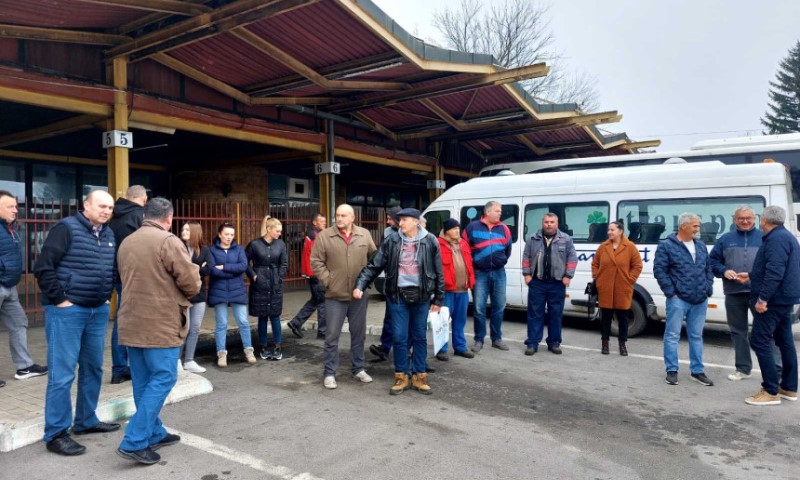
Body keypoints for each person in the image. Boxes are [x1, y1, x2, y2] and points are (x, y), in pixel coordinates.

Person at [34, 190, 119, 456]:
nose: (106, 211)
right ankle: (56, 433)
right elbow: (43, 267)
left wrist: (106, 296)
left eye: (110, 208)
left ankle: (86, 420)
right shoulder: (66, 228)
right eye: (101, 206)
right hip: (68, 311)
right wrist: (60, 300)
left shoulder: (108, 233)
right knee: (63, 373)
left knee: (93, 367)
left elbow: (111, 268)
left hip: (97, 310)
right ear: (86, 205)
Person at [116, 198, 201, 465]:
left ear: (145, 215)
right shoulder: (168, 241)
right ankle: (135, 440)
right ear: (169, 218)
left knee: (142, 381)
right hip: (160, 322)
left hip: (131, 321)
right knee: (164, 377)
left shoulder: (127, 242)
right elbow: (192, 282)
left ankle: (153, 431)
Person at [355, 208, 444, 395]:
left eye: (404, 220)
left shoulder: (430, 241)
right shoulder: (392, 240)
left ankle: (419, 377)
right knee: (399, 337)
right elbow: (374, 265)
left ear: (416, 222)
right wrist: (360, 285)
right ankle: (401, 377)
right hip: (397, 297)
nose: (400, 223)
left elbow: (439, 271)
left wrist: (438, 298)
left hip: (422, 296)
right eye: (399, 220)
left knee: (419, 337)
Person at [709, 205, 781, 382]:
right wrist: (723, 270)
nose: (745, 221)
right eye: (741, 218)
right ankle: (742, 368)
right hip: (733, 292)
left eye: (748, 218)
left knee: (767, 331)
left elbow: (774, 264)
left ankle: (777, 370)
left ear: (755, 218)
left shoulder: (765, 237)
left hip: (760, 294)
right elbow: (712, 262)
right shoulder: (725, 239)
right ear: (734, 220)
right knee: (737, 332)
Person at [310, 204, 376, 390]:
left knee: (359, 334)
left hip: (358, 296)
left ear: (352, 218)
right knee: (331, 336)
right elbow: (316, 261)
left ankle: (359, 368)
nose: (339, 219)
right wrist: (328, 281)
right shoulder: (325, 236)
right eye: (337, 215)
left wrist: (366, 282)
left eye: (343, 215)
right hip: (334, 295)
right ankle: (329, 373)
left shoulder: (364, 234)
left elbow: (374, 260)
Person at [738, 206, 799, 406]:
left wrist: (763, 299)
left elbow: (775, 271)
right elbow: (778, 268)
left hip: (773, 300)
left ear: (764, 220)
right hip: (783, 299)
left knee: (759, 340)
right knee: (785, 341)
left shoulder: (776, 239)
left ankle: (770, 390)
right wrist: (752, 275)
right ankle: (788, 387)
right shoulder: (785, 236)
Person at [653, 213, 714, 387]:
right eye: (695, 226)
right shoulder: (667, 246)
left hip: (700, 299)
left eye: (698, 226)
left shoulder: (700, 245)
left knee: (696, 336)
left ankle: (697, 371)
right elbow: (660, 270)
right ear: (683, 226)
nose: (698, 229)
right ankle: (672, 370)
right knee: (672, 336)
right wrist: (671, 293)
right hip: (678, 299)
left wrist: (707, 288)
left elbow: (708, 269)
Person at [0, 191, 47, 387]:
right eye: (10, 206)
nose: (15, 210)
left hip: (9, 286)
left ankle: (24, 367)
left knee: (19, 323)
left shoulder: (10, 228)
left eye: (15, 206)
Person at [107, 184, 147, 385]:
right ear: (144, 199)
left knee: (121, 320)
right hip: (136, 276)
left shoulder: (113, 216)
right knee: (139, 321)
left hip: (116, 275)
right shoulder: (140, 216)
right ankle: (134, 367)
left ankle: (119, 368)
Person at [522, 213, 578, 355]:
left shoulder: (566, 239)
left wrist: (568, 276)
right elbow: (526, 257)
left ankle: (554, 343)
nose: (549, 224)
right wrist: (527, 274)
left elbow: (572, 259)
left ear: (556, 224)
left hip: (557, 283)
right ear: (542, 223)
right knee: (535, 314)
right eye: (546, 222)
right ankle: (532, 343)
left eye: (552, 222)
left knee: (555, 314)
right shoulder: (533, 239)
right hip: (537, 283)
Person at [463, 201, 512, 352]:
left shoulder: (504, 229)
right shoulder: (472, 227)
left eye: (500, 211)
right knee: (479, 308)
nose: (500, 213)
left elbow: (507, 250)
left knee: (499, 306)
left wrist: (499, 261)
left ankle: (496, 339)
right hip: (479, 273)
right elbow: (464, 249)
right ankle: (479, 340)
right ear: (487, 212)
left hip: (499, 272)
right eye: (497, 211)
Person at [591, 219, 643, 356]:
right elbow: (595, 264)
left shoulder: (630, 246)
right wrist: (598, 278)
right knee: (606, 318)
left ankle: (622, 344)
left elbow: (637, 265)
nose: (609, 232)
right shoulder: (603, 247)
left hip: (623, 287)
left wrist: (629, 280)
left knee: (623, 318)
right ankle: (605, 343)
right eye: (608, 230)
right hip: (606, 287)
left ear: (620, 231)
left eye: (612, 230)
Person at [208, 222, 256, 367]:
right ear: (220, 234)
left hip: (237, 290)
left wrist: (223, 267)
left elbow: (243, 266)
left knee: (243, 322)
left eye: (231, 235)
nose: (229, 237)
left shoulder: (239, 249)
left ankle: (249, 351)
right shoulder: (211, 250)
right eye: (226, 234)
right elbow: (212, 270)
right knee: (221, 324)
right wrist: (232, 271)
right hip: (219, 290)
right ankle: (221, 354)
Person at [246, 216, 288, 360]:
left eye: (280, 231)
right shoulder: (254, 244)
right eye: (277, 231)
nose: (279, 234)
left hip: (275, 284)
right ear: (269, 229)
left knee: (275, 315)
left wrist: (279, 277)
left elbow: (284, 263)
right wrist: (253, 275)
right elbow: (244, 262)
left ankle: (278, 346)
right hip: (260, 284)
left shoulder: (280, 244)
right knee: (262, 316)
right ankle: (263, 346)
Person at [436, 218, 475, 360]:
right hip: (446, 290)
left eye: (458, 228)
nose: (457, 231)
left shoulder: (463, 243)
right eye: (454, 228)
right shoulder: (438, 244)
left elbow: (469, 264)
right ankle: (441, 349)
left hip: (462, 290)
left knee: (460, 320)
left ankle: (460, 347)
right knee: (443, 321)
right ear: (446, 231)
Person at [369, 206, 402, 360]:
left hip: (408, 284)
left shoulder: (410, 231)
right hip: (392, 281)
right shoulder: (387, 232)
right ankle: (384, 348)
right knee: (389, 316)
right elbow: (381, 257)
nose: (387, 222)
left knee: (408, 319)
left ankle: (408, 350)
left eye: (390, 218)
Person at [287, 213, 326, 340]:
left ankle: (296, 322)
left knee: (315, 300)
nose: (324, 223)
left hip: (313, 274)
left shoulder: (313, 235)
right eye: (322, 221)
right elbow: (315, 257)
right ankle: (323, 331)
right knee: (323, 302)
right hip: (316, 274)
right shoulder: (314, 236)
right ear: (315, 223)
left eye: (325, 221)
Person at [180, 221, 212, 373]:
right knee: (182, 329)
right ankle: (176, 361)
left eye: (187, 230)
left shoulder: (204, 250)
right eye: (183, 229)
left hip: (199, 296)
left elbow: (209, 269)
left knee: (195, 328)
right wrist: (199, 267)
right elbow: (178, 269)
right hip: (182, 295)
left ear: (195, 232)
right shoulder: (178, 247)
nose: (183, 231)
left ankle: (189, 360)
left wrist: (192, 268)